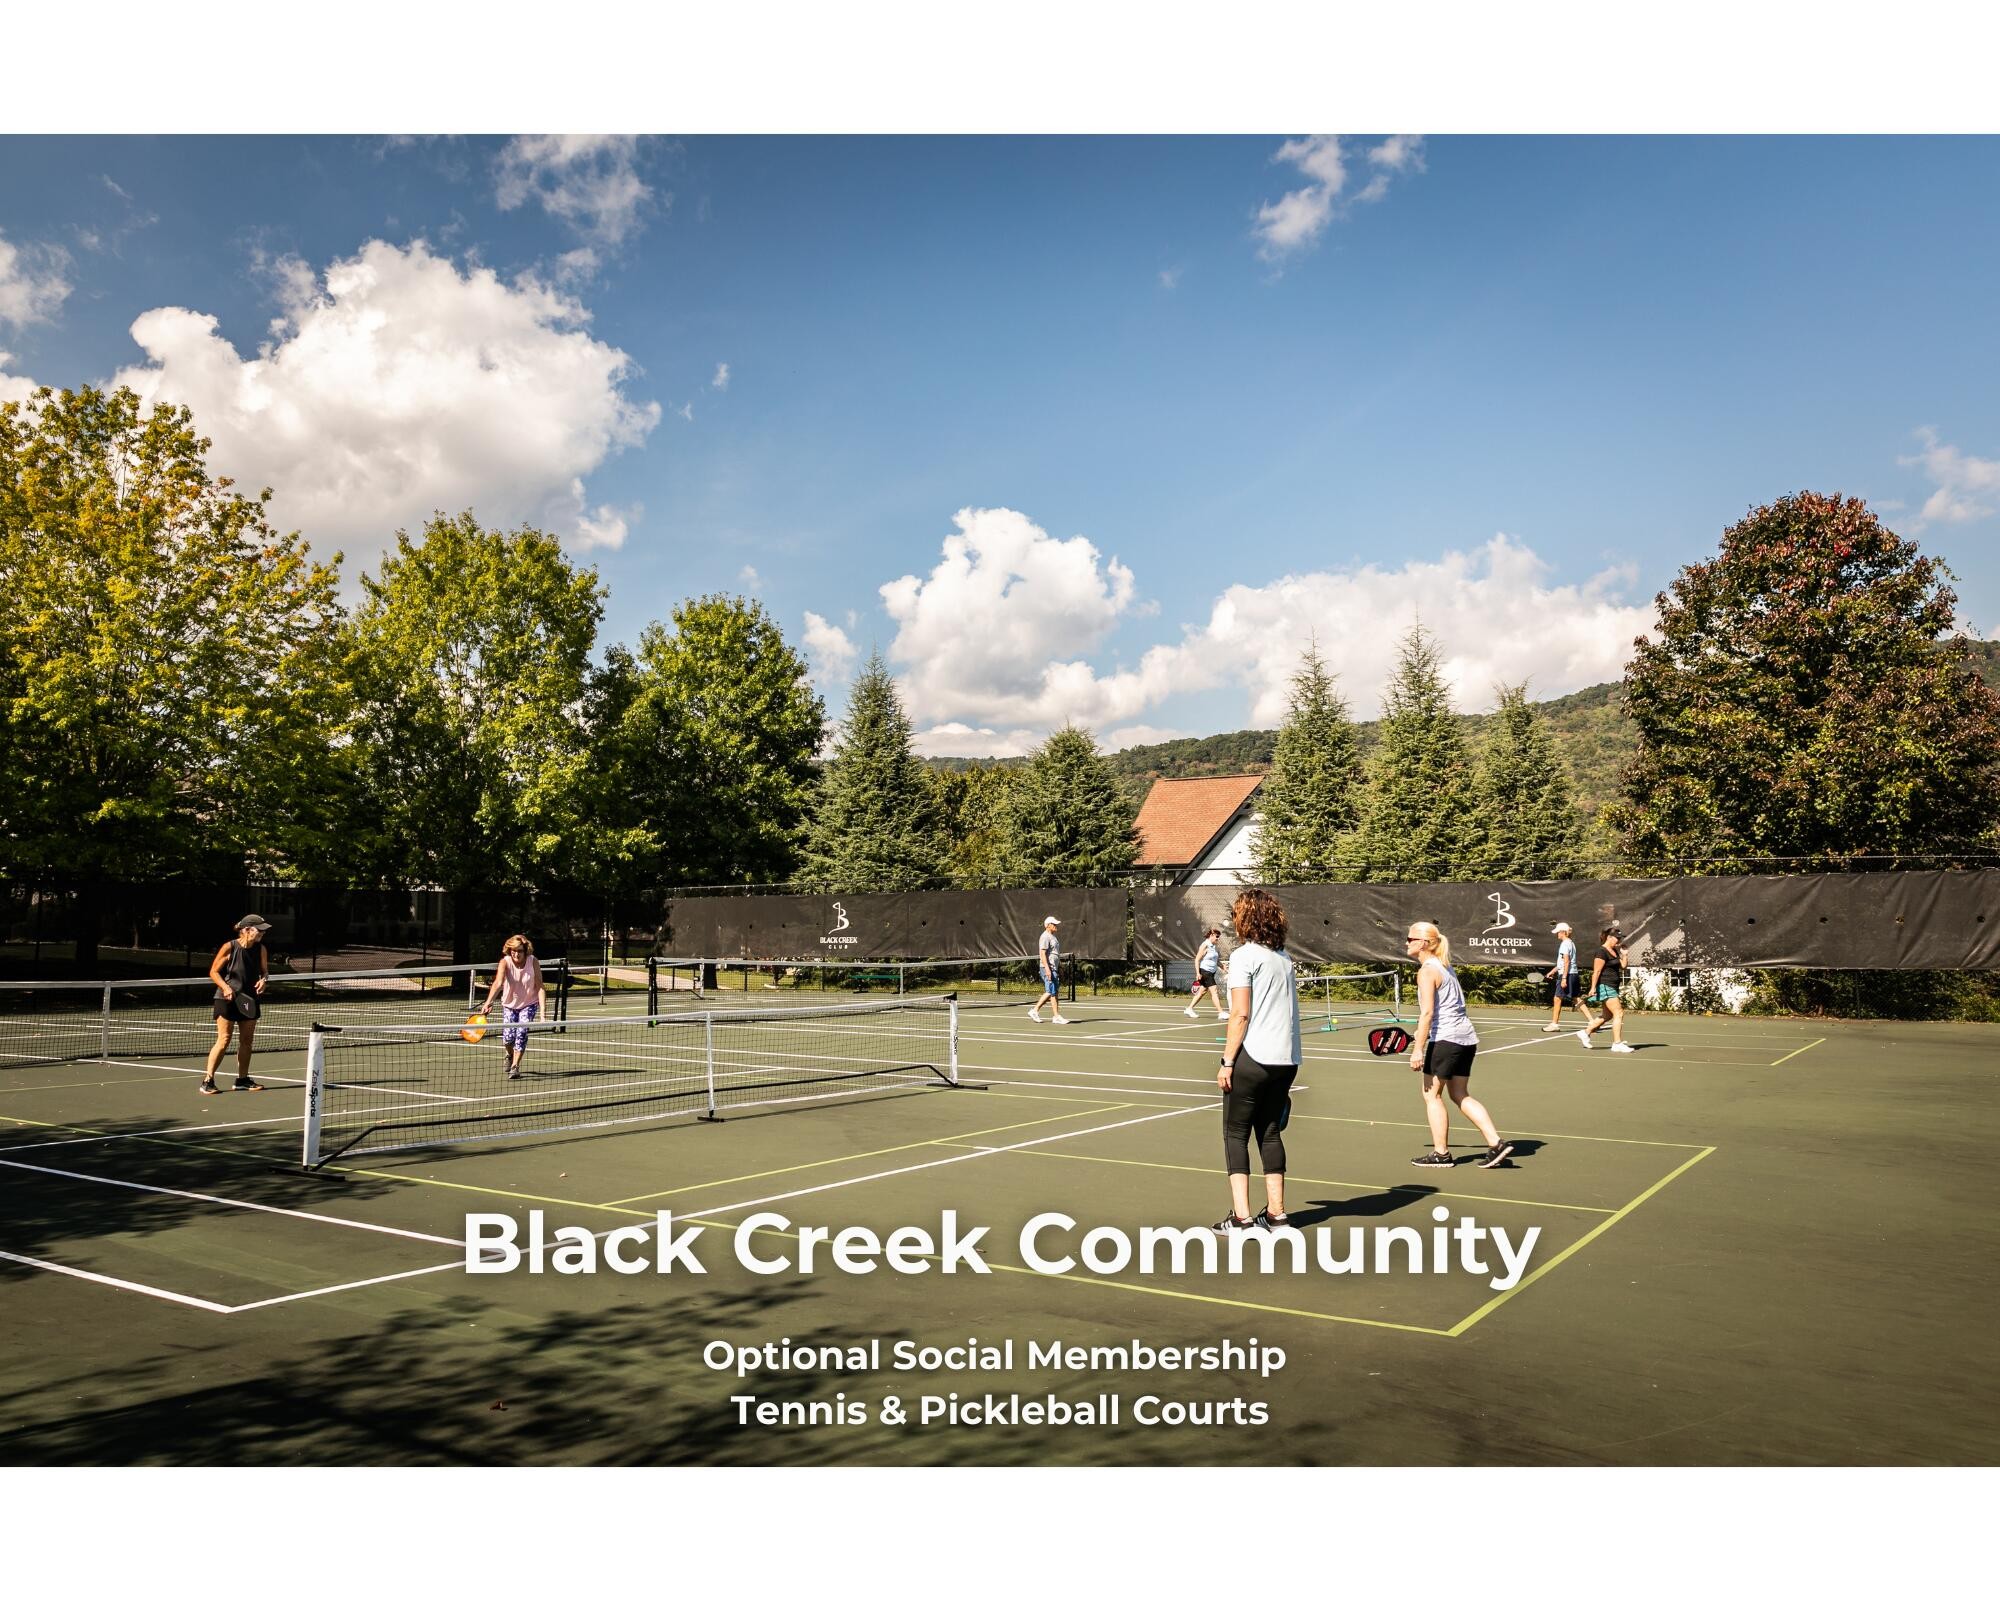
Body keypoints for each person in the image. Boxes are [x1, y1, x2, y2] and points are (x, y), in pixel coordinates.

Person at [1214, 889, 1302, 1232]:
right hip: (1287, 1059)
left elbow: (1240, 1014)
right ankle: (1277, 1215)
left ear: (1244, 919)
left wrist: (1227, 1061)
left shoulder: (1243, 956)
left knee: (1235, 1134)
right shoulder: (1284, 958)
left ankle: (1242, 1219)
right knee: (1269, 1131)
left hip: (1253, 1057)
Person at [1404, 922, 1513, 1169]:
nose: (1406, 943)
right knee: (1459, 1093)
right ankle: (1496, 1143)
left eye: (1410, 939)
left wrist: (1418, 1049)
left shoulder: (1427, 971)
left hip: (1447, 1039)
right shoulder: (1444, 966)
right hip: (1465, 1038)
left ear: (1423, 943)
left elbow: (1428, 1013)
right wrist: (1422, 1034)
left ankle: (1441, 1154)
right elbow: (1444, 1008)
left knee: (1431, 1095)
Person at [201, 913, 271, 1094]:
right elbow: (214, 972)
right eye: (259, 930)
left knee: (247, 1041)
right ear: (247, 930)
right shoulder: (230, 947)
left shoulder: (261, 949)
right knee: (224, 1039)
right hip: (227, 999)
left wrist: (264, 980)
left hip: (249, 1000)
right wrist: (225, 987)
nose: (262, 933)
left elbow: (265, 972)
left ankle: (242, 1080)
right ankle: (208, 1081)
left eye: (264, 930)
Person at [482, 934, 547, 1079]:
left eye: (520, 951)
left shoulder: (533, 961)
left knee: (522, 1032)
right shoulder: (505, 962)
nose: (516, 954)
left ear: (526, 950)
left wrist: (543, 1013)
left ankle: (515, 1066)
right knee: (508, 1037)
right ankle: (509, 1054)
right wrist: (488, 1002)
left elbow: (540, 987)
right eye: (513, 951)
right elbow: (498, 983)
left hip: (529, 1004)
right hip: (509, 1005)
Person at [1578, 926, 1634, 1053]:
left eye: (1620, 938)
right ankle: (1617, 1043)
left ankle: (1585, 1032)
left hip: (1613, 986)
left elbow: (1623, 966)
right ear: (1609, 937)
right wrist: (1593, 988)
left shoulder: (1614, 950)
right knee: (1619, 1013)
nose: (1619, 940)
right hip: (1605, 985)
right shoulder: (1601, 952)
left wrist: (1625, 955)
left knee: (1607, 1015)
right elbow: (1596, 971)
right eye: (1617, 938)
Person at [1542, 919, 1597, 1033]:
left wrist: (1563, 978)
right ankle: (1592, 1021)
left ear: (1563, 932)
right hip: (1573, 974)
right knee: (1576, 998)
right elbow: (1564, 962)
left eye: (1558, 932)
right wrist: (1553, 971)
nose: (1557, 934)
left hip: (1567, 975)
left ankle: (1554, 1024)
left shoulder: (1565, 944)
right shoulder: (1570, 943)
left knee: (1557, 998)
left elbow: (1566, 962)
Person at [1028, 916, 1070, 1024]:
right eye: (1053, 924)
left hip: (1053, 968)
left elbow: (1054, 954)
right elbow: (1042, 954)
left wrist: (1059, 967)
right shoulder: (1045, 936)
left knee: (1054, 992)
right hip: (1047, 968)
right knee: (1050, 991)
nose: (1056, 926)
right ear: (1048, 925)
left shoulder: (1053, 937)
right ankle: (1034, 1010)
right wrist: (1047, 969)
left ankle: (1056, 1017)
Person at [1185, 924, 1228, 1020]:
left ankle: (1189, 1009)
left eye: (1219, 937)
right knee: (1214, 991)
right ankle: (1221, 1012)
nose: (1218, 939)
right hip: (1205, 971)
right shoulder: (1205, 945)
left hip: (1211, 972)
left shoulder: (1213, 947)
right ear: (1211, 935)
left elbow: (1216, 960)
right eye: (1217, 936)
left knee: (1202, 991)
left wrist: (1223, 967)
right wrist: (1198, 973)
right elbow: (1197, 959)